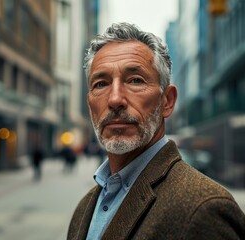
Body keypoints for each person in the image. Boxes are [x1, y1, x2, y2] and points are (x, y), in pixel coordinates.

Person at [67, 22, 245, 240]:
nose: (114, 100)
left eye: (135, 80)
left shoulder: (203, 208)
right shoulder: (84, 208)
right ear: (89, 105)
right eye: (101, 84)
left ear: (167, 102)